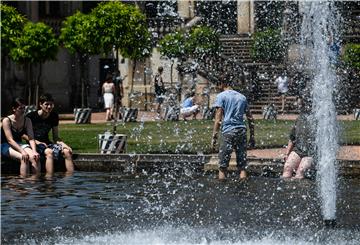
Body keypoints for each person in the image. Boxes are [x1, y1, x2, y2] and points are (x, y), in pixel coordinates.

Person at [211, 75, 255, 180]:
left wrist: (214, 137)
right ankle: (244, 188)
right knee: (242, 166)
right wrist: (252, 136)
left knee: (222, 166)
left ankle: (221, 190)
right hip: (241, 131)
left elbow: (218, 119)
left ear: (221, 84)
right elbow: (250, 118)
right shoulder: (242, 97)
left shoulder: (221, 96)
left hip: (228, 132)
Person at [25, 93, 74, 175]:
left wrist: (64, 145)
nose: (49, 107)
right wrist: (37, 142)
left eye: (51, 104)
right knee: (49, 152)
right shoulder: (31, 116)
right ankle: (49, 180)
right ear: (40, 104)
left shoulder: (54, 116)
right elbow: (23, 135)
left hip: (46, 143)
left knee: (67, 151)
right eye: (46, 104)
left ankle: (70, 179)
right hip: (33, 144)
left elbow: (55, 137)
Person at [1, 98, 40, 177]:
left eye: (24, 108)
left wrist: (34, 151)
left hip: (19, 144)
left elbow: (31, 138)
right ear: (14, 109)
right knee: (24, 157)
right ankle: (23, 184)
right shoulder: (7, 120)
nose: (23, 110)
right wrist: (22, 151)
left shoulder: (27, 120)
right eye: (20, 108)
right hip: (5, 145)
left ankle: (35, 183)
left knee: (34, 157)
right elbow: (10, 140)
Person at [282, 98, 314, 179]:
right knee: (287, 168)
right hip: (298, 150)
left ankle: (300, 190)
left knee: (301, 171)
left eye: (301, 104)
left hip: (312, 153)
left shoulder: (317, 119)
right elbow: (292, 138)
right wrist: (287, 153)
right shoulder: (300, 118)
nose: (299, 106)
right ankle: (287, 191)